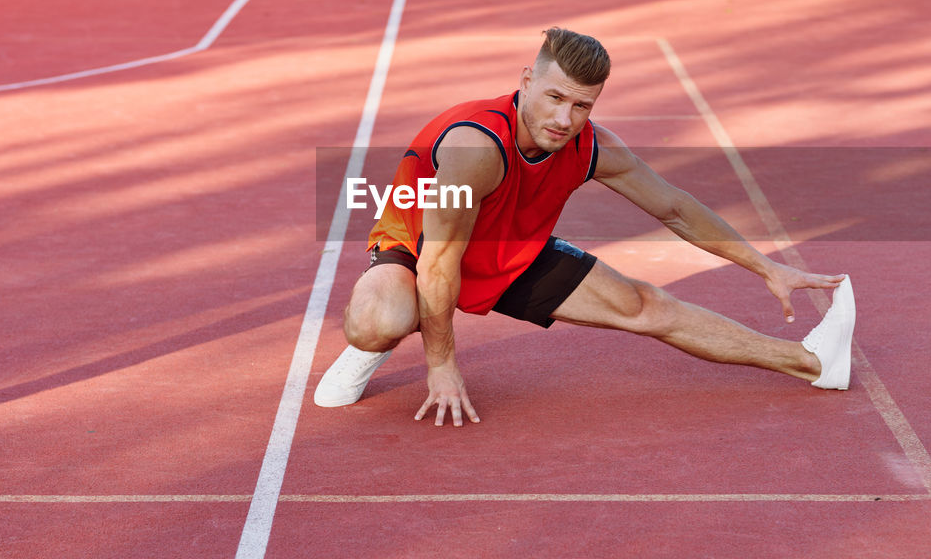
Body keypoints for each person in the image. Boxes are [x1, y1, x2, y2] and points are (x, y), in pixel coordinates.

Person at [314, 27, 855, 427]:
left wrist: (765, 267)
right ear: (526, 81)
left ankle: (811, 363)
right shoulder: (475, 149)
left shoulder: (590, 144)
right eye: (553, 97)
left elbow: (675, 207)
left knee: (648, 307)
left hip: (507, 251)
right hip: (421, 246)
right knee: (383, 316)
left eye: (581, 105)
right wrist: (442, 365)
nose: (563, 119)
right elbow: (438, 261)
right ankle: (371, 345)